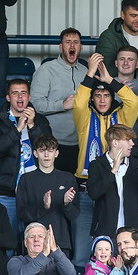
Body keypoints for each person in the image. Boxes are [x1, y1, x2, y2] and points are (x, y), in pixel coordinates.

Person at [72, 52, 138, 262]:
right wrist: (90, 74)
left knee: (115, 248)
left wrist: (110, 80)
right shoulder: (85, 117)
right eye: (98, 96)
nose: (102, 100)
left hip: (115, 187)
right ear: (93, 98)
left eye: (106, 95)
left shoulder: (122, 117)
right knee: (84, 250)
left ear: (112, 98)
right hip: (86, 188)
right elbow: (77, 103)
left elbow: (133, 101)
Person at [0, 78, 52, 235]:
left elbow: (48, 150)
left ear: (29, 97)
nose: (20, 97)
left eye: (23, 93)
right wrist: (17, 130)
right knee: (6, 241)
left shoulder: (40, 120)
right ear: (8, 98)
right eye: (15, 93)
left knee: (35, 242)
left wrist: (32, 126)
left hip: (35, 194)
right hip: (7, 193)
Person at [30, 28, 89, 173]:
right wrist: (62, 105)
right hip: (54, 144)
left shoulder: (86, 72)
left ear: (81, 47)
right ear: (61, 47)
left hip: (81, 143)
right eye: (68, 42)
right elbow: (35, 104)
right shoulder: (46, 70)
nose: (72, 46)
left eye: (76, 42)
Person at [16, 135, 79, 258]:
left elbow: (74, 215)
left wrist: (66, 204)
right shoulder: (26, 179)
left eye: (50, 151)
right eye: (42, 151)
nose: (46, 155)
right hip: (34, 243)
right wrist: (43, 206)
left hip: (61, 242)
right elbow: (21, 214)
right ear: (35, 153)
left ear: (56, 153)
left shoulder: (67, 178)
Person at [86, 125, 138, 239]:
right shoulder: (97, 165)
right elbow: (93, 193)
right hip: (105, 230)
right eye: (128, 140)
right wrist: (113, 171)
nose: (132, 144)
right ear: (115, 143)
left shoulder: (135, 165)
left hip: (131, 232)